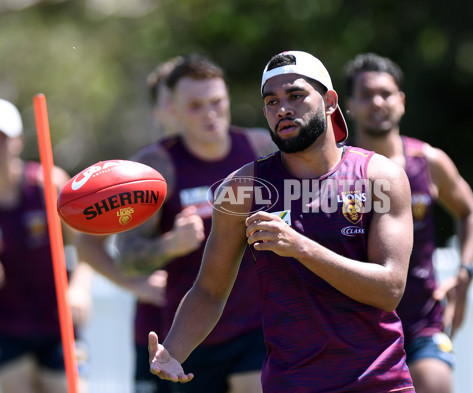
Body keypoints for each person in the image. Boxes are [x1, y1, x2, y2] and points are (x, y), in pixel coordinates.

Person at [148, 50, 416, 392]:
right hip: (292, 383)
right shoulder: (241, 189)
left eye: (296, 96)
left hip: (379, 382)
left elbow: (389, 289)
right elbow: (210, 289)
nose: (283, 109)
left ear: (330, 101)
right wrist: (173, 350)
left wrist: (301, 247)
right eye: (271, 101)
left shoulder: (379, 176)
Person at [115, 53, 276, 393]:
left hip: (256, 327)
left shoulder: (259, 146)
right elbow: (127, 257)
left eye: (217, 101)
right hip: (192, 334)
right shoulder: (155, 165)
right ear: (173, 108)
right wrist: (170, 244)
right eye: (195, 106)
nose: (210, 113)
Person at [343, 53, 473, 393]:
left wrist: (466, 272)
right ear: (349, 105)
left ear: (401, 102)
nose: (377, 102)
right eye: (365, 95)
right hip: (356, 326)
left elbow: (470, 212)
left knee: (435, 383)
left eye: (386, 93)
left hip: (423, 321)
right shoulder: (339, 169)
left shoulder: (428, 161)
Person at [75, 55, 185, 393]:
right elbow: (86, 242)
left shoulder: (234, 158)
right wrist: (132, 283)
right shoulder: (141, 174)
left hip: (233, 331)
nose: (185, 107)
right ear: (159, 111)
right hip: (157, 331)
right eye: (173, 98)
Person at [0, 98, 92, 393]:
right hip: (6, 327)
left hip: (59, 322)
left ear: (18, 141)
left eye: (1, 139)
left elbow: (87, 245)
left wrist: (79, 287)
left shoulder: (47, 183)